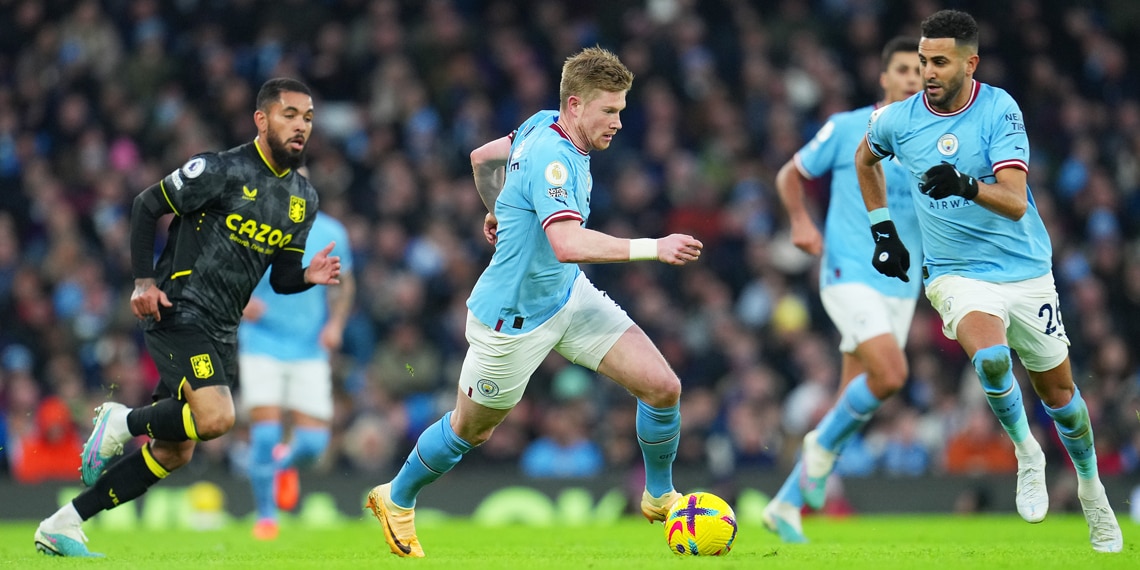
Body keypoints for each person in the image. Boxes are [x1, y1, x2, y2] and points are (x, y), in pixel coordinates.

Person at [364, 46, 704, 558]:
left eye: (621, 110)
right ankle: (397, 496)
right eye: (608, 111)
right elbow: (567, 243)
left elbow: (484, 157)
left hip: (566, 294)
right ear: (574, 104)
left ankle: (659, 497)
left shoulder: (542, 122)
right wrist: (653, 247)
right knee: (470, 430)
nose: (617, 121)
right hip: (512, 321)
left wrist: (499, 208)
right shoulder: (554, 159)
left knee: (662, 387)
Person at [33, 77, 342, 557]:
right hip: (179, 308)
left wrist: (308, 276)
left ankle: (63, 523)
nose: (300, 126)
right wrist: (142, 282)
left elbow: (280, 278)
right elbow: (146, 205)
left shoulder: (303, 199)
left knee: (175, 451)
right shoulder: (221, 169)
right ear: (261, 120)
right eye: (289, 115)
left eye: (307, 118)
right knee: (217, 418)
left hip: (223, 328)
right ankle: (122, 420)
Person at [852, 10, 1122, 552]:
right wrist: (884, 232)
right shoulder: (897, 120)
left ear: (969, 62)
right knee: (992, 358)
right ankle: (1027, 452)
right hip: (957, 274)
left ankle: (1092, 491)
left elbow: (1017, 203)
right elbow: (866, 160)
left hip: (1026, 273)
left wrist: (966, 185)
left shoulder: (999, 109)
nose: (927, 70)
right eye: (924, 60)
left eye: (940, 61)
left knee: (1060, 393)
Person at [762, 37, 923, 544]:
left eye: (920, 71)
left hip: (902, 283)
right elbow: (790, 174)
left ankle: (785, 504)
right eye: (903, 70)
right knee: (892, 374)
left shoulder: (933, 138)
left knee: (851, 403)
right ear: (884, 77)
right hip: (847, 273)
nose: (913, 79)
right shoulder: (850, 126)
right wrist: (800, 224)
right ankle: (817, 450)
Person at [238, 208, 355, 541]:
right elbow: (226, 272)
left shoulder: (331, 231)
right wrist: (240, 301)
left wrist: (335, 324)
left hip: (309, 346)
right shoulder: (254, 224)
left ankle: (283, 463)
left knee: (315, 444)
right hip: (261, 342)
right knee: (264, 435)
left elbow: (344, 282)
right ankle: (266, 517)